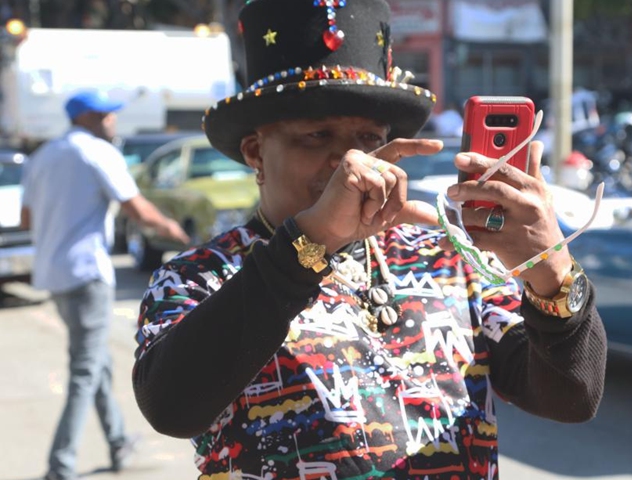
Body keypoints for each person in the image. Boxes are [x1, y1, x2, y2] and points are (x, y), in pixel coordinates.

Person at [132, 0, 607, 478]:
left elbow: (572, 395)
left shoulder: (449, 258)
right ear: (256, 152)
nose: (350, 162)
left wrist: (551, 272)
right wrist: (312, 241)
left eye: (369, 138)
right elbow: (171, 407)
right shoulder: (196, 277)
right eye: (317, 136)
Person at [20, 90, 190, 480]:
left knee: (97, 363)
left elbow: (27, 219)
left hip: (54, 276)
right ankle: (60, 466)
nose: (112, 121)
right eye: (106, 115)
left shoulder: (43, 155)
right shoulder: (97, 152)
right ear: (88, 118)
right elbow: (136, 207)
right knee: (85, 370)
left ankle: (117, 441)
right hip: (87, 274)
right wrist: (176, 233)